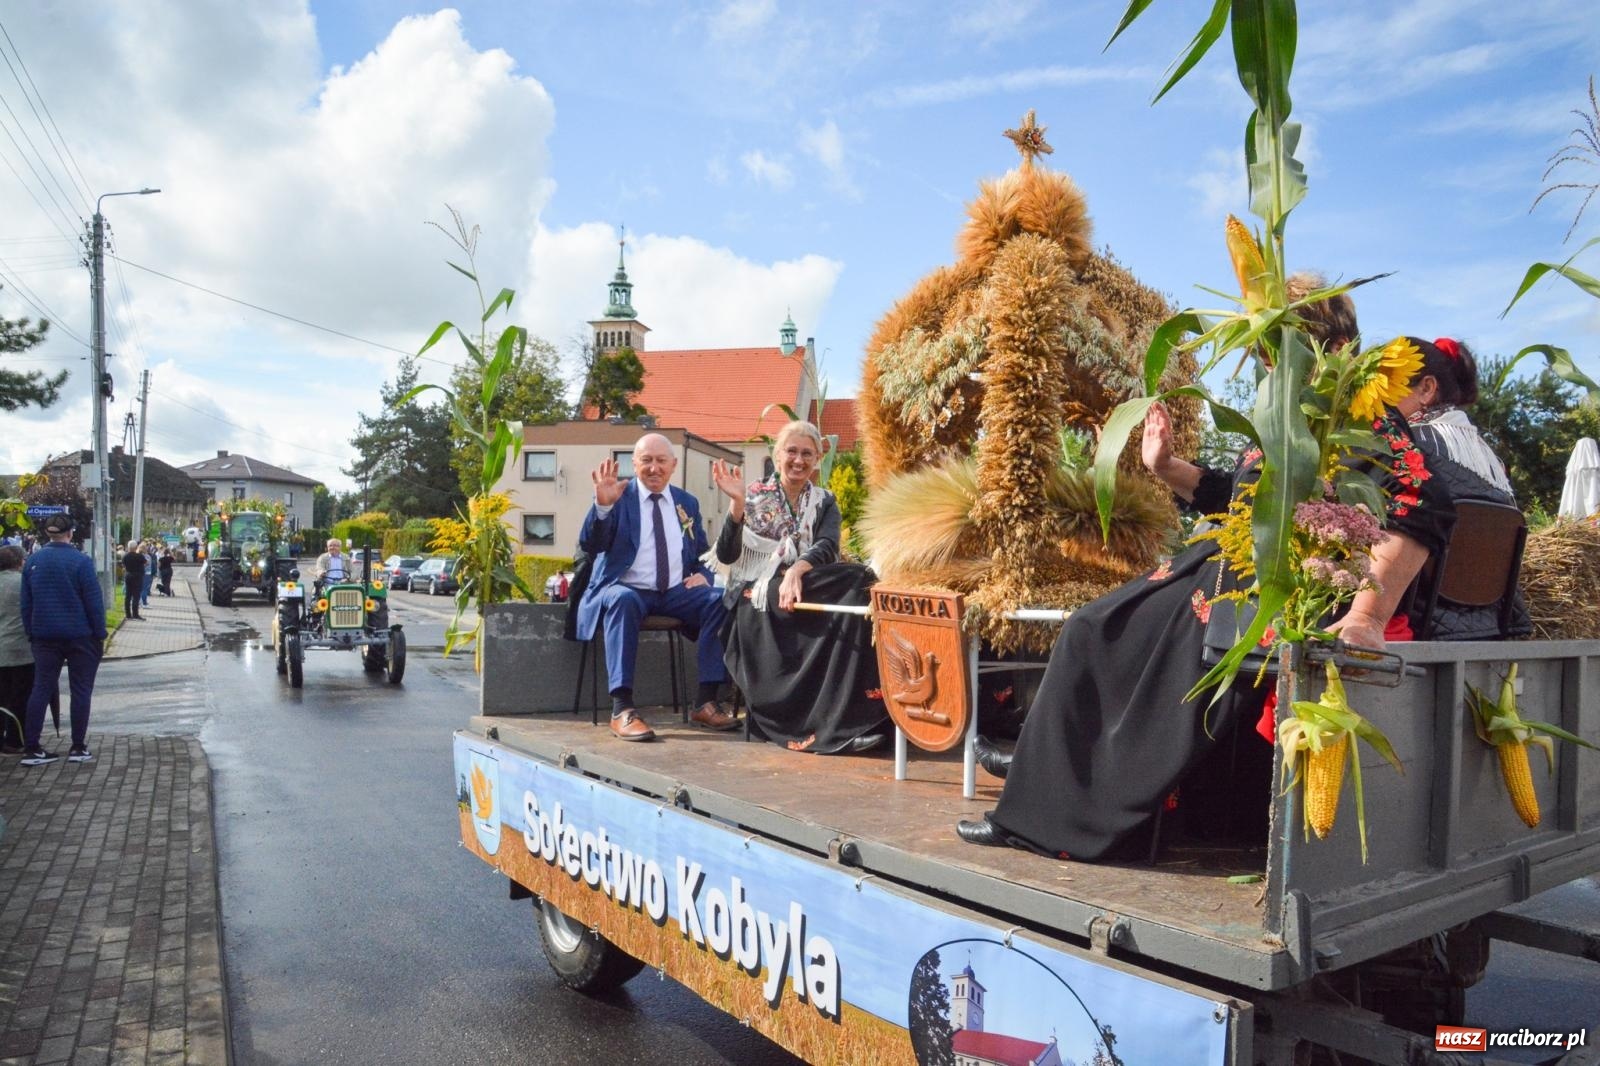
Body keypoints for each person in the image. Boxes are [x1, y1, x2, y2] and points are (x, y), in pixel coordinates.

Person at [712, 420, 886, 754]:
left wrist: (796, 571)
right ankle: (801, 721)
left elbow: (826, 545)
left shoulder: (824, 501)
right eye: (791, 451)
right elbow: (727, 555)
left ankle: (850, 720)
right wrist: (736, 509)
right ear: (777, 456)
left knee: (860, 581)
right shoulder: (752, 497)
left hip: (804, 582)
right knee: (827, 590)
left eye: (808, 453)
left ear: (817, 459)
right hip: (756, 593)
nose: (799, 460)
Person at [574, 432, 738, 741]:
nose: (654, 468)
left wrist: (703, 573)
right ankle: (622, 709)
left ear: (673, 465)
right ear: (634, 464)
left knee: (720, 599)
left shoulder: (686, 502)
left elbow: (702, 552)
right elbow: (591, 543)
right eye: (646, 460)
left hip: (674, 592)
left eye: (661, 460)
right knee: (624, 600)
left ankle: (705, 701)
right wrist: (602, 507)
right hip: (625, 588)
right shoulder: (617, 496)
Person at [1395, 336, 1532, 639]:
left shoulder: (1404, 447)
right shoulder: (1488, 457)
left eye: (1390, 384)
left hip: (1420, 624)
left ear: (1426, 389)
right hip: (1490, 623)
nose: (1379, 397)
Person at [19, 513, 106, 765]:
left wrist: (31, 632)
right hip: (80, 635)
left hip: (44, 635)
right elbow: (93, 602)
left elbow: (27, 604)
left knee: (41, 688)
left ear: (47, 533)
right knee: (80, 690)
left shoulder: (33, 561)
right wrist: (99, 633)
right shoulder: (81, 562)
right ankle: (78, 747)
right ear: (71, 533)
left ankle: (32, 748)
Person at [0, 546, 32, 753]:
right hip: (20, 650)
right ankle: (14, 739)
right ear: (20, 562)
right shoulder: (23, 583)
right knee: (20, 697)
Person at [121, 541, 146, 620]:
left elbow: (123, 565)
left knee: (128, 595)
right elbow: (146, 562)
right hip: (137, 576)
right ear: (136, 547)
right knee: (136, 595)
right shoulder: (139, 556)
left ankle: (128, 614)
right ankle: (135, 614)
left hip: (128, 575)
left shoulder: (125, 556)